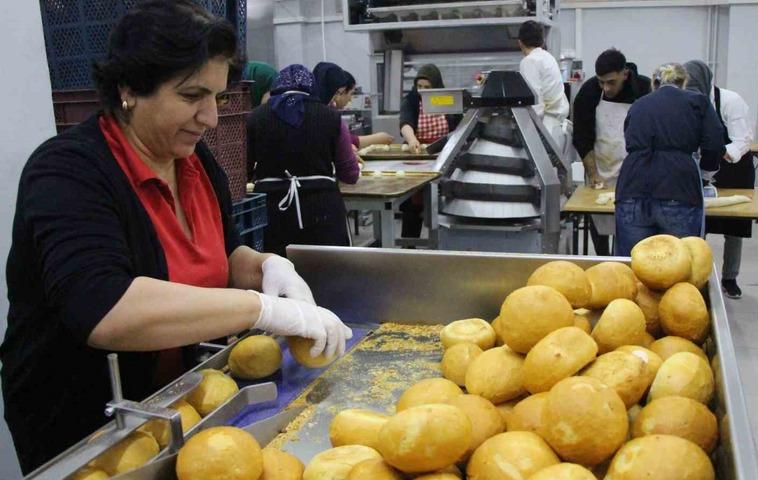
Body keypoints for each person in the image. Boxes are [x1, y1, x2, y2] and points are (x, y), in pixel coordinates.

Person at [0, 1, 351, 473]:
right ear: (129, 89)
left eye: (218, 98)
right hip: (88, 423)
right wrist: (261, 309)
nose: (210, 117)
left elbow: (223, 253)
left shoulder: (194, 161)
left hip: (174, 403)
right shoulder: (67, 172)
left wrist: (268, 267)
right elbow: (105, 309)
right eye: (191, 96)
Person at [614, 63, 726, 256]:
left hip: (632, 190)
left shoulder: (638, 104)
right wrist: (705, 173)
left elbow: (629, 142)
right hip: (679, 189)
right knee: (679, 264)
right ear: (684, 83)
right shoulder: (698, 102)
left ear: (654, 83)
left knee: (631, 264)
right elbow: (715, 144)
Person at [247, 64, 361, 251]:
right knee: (326, 267)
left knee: (278, 266)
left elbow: (243, 171)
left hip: (272, 212)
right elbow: (350, 174)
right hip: (323, 213)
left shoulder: (255, 118)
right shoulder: (331, 117)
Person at [685, 60, 755, 299]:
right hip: (703, 166)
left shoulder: (730, 101)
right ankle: (697, 275)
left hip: (734, 167)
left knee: (734, 225)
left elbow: (743, 139)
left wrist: (721, 150)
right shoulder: (687, 101)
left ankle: (730, 277)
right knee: (698, 222)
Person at [572, 48, 651, 255]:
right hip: (601, 166)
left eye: (611, 82)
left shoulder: (644, 89)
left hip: (634, 171)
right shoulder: (589, 92)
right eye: (601, 82)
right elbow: (582, 137)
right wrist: (593, 174)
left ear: (625, 73)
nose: (605, 88)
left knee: (629, 227)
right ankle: (603, 259)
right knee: (599, 222)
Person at [399, 64, 462, 238]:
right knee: (413, 204)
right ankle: (409, 245)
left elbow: (458, 126)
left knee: (442, 203)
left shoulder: (444, 99)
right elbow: (405, 123)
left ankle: (443, 244)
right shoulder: (411, 100)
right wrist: (412, 139)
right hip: (417, 155)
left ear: (436, 86)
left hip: (444, 156)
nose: (422, 91)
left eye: (427, 87)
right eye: (419, 86)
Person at [516, 20, 570, 154]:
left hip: (546, 130)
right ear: (542, 41)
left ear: (520, 43)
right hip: (557, 127)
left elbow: (535, 104)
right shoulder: (548, 57)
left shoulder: (529, 61)